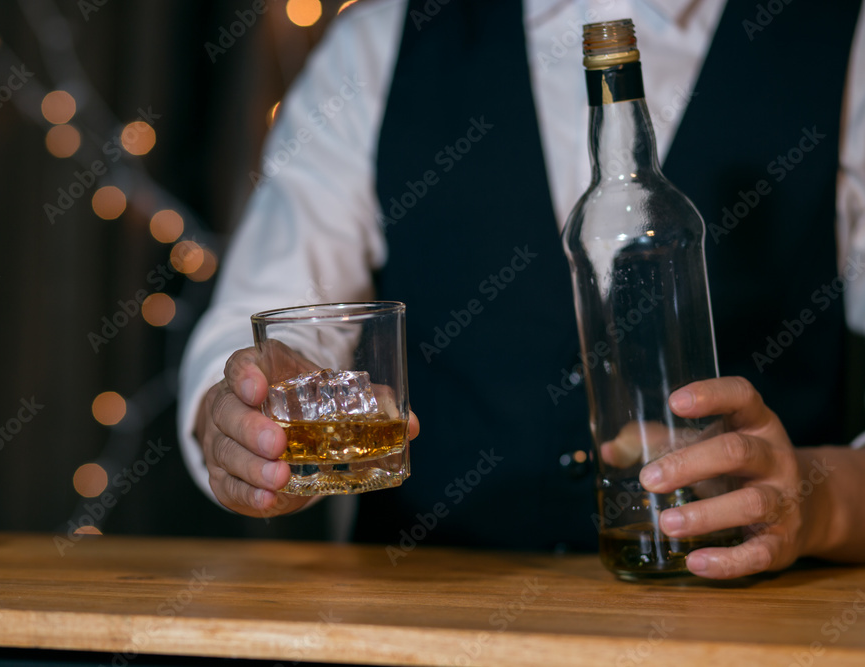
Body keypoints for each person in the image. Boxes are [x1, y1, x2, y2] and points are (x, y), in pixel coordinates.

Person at [179, 0, 865, 579]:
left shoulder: (846, 36)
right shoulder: (380, 40)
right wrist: (242, 415)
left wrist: (820, 496)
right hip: (425, 632)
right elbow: (262, 329)